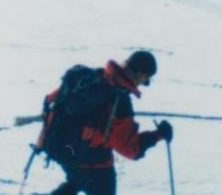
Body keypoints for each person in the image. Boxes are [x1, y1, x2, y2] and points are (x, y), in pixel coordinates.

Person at [41, 50, 173, 195]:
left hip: (63, 151)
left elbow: (51, 100)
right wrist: (159, 135)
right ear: (141, 74)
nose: (143, 83)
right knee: (90, 182)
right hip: (94, 164)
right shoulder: (120, 100)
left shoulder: (94, 75)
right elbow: (130, 149)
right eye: (146, 79)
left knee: (77, 180)